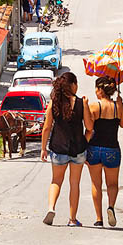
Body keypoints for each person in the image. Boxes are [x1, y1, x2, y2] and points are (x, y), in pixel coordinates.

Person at [40, 72, 93, 226]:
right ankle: (72, 219)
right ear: (73, 85)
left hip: (58, 148)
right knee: (74, 183)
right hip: (78, 149)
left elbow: (46, 127)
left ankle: (51, 208)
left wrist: (43, 148)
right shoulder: (81, 103)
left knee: (56, 181)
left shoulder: (54, 102)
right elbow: (89, 127)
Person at [86, 76, 123, 227]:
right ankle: (111, 207)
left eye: (96, 88)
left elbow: (89, 127)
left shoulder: (94, 106)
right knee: (112, 184)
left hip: (94, 148)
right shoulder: (118, 106)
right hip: (112, 148)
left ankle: (98, 219)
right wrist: (120, 105)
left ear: (100, 90)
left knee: (96, 184)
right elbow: (122, 124)